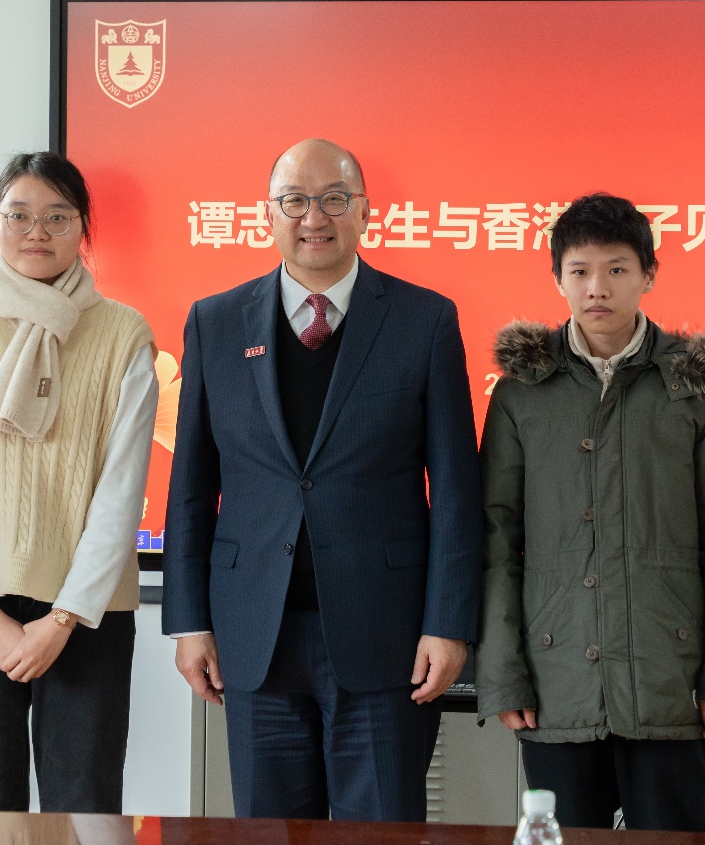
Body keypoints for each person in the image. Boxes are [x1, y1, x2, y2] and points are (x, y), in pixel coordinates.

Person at [162, 138, 483, 821]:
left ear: (365, 210)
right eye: (294, 201)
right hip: (255, 634)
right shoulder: (214, 322)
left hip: (386, 636)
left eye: (334, 199)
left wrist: (448, 624)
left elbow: (457, 490)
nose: (314, 217)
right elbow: (190, 487)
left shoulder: (424, 320)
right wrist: (188, 622)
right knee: (266, 831)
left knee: (381, 833)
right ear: (268, 214)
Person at [475, 192, 705, 831]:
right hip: (556, 680)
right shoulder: (523, 391)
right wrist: (502, 673)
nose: (597, 288)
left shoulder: (695, 385)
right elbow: (495, 537)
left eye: (616, 269)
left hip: (669, 680)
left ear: (648, 274)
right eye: (579, 271)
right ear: (557, 278)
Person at [0, 151, 157, 812]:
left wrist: (63, 619)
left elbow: (120, 491)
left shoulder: (124, 335)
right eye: (18, 215)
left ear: (83, 227)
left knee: (84, 810)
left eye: (56, 217)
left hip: (88, 612)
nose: (36, 232)